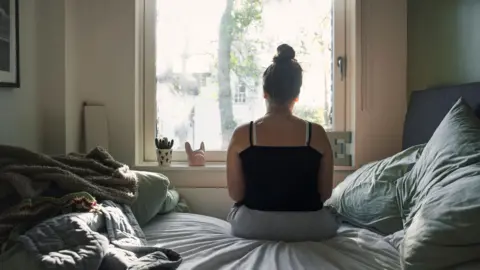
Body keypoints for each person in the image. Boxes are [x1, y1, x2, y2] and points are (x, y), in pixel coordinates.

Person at [226, 44, 339, 241]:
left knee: (234, 213)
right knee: (335, 215)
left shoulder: (243, 134)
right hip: (310, 227)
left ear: (265, 93)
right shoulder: (316, 134)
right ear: (296, 96)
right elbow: (324, 193)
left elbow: (236, 195)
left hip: (253, 227)